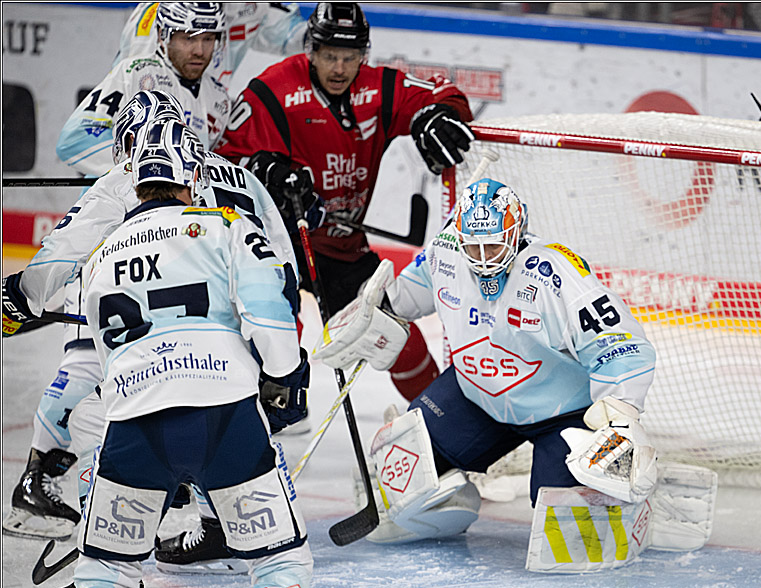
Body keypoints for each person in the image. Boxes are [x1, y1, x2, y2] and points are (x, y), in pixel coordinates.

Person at [3, 89, 302, 588]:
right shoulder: (240, 177)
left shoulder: (122, 182)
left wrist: (17, 298)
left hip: (155, 350)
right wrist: (285, 359)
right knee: (236, 465)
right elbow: (282, 270)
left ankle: (105, 577)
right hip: (244, 350)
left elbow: (50, 276)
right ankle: (239, 545)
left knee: (118, 441)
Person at [313, 178, 718, 572]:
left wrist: (622, 414)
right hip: (478, 397)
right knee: (405, 462)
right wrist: (373, 311)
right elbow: (407, 296)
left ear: (517, 231)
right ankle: (449, 501)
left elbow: (621, 342)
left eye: (494, 244)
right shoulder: (446, 252)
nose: (484, 256)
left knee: (570, 532)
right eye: (475, 244)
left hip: (561, 414)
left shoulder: (553, 272)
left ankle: (641, 501)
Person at [73, 117, 311, 588]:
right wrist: (284, 375)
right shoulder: (226, 224)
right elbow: (268, 310)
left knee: (104, 565)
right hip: (225, 418)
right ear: (193, 178)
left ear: (136, 184)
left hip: (133, 426)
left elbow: (92, 357)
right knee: (280, 559)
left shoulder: (100, 256)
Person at [215, 1, 476, 402]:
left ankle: (438, 422)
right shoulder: (274, 89)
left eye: (350, 57)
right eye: (329, 56)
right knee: (273, 333)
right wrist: (266, 170)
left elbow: (444, 93)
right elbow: (223, 161)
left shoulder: (379, 88)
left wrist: (436, 114)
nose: (339, 68)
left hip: (341, 246)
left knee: (393, 331)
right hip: (278, 242)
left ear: (364, 55)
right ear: (311, 51)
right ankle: (266, 419)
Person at [56, 2, 230, 177]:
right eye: (189, 38)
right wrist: (147, 170)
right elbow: (75, 139)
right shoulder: (135, 73)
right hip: (116, 201)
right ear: (163, 35)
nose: (199, 51)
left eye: (208, 39)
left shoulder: (219, 98)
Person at [112, 1, 307, 90]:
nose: (199, 49)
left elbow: (295, 37)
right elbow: (136, 89)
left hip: (209, 121)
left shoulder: (251, 7)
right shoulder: (163, 13)